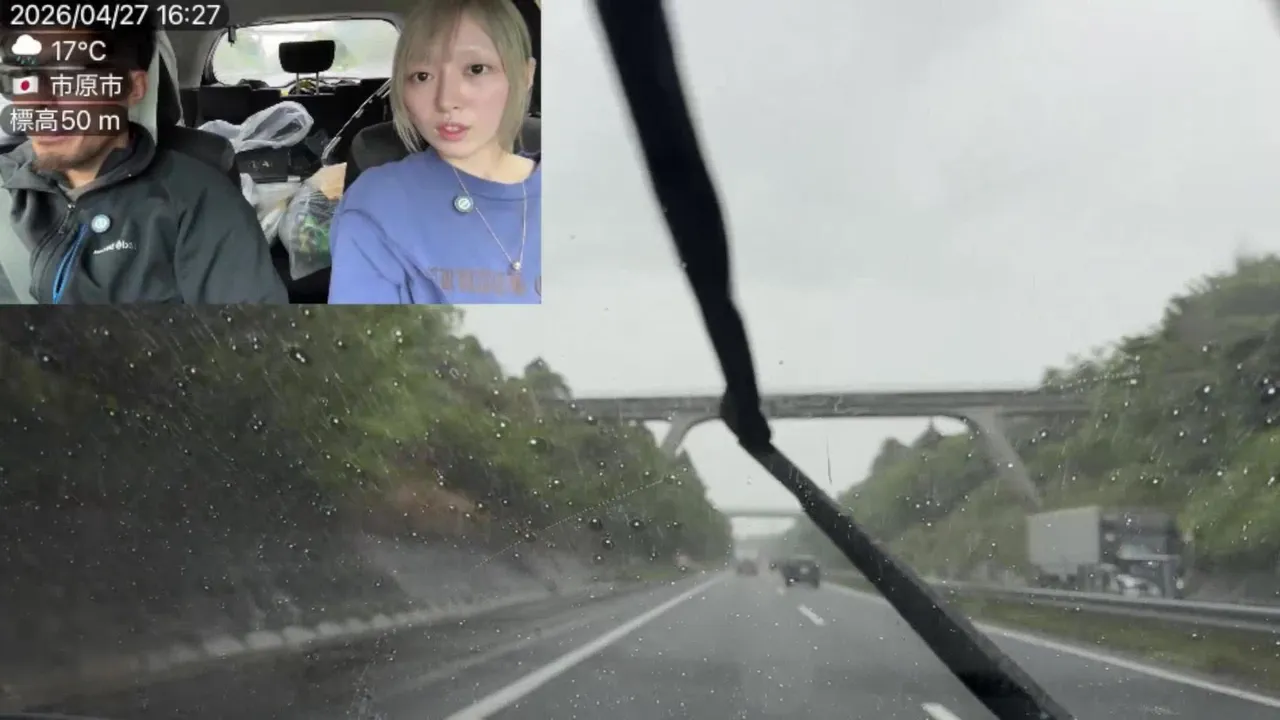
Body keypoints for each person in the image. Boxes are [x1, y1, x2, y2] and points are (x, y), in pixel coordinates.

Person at [0, 21, 289, 304]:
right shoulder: (7, 183)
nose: (36, 103)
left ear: (133, 88)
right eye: (23, 76)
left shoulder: (201, 203)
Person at [328, 0, 541, 304]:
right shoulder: (377, 204)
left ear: (525, 74)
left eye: (476, 69)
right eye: (422, 76)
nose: (445, 100)